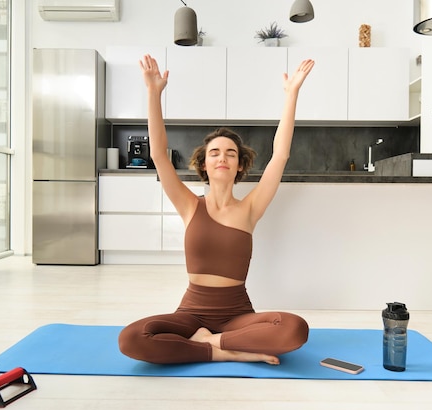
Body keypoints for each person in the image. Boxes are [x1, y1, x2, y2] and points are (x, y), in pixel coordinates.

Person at [118, 54, 315, 365]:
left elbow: (280, 154)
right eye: (214, 153)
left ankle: (210, 343)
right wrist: (153, 93)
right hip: (190, 313)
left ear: (239, 165)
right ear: (203, 164)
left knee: (294, 329)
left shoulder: (251, 208)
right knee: (131, 338)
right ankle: (225, 352)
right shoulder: (188, 205)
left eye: (230, 153)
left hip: (237, 315)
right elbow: (158, 154)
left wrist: (291, 94)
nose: (222, 157)